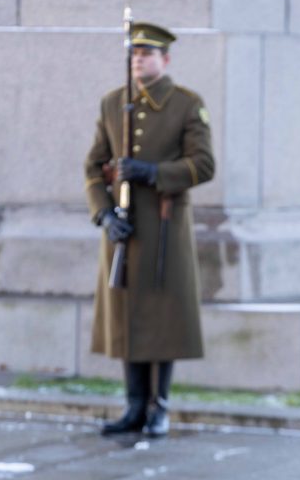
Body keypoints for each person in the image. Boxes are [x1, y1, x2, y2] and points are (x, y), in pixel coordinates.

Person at [84, 22, 214, 437]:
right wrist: (104, 213)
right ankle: (134, 405)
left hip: (163, 226)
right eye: (135, 53)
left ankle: (159, 407)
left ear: (165, 59)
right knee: (127, 316)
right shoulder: (112, 103)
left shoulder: (186, 104)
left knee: (163, 316)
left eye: (148, 53)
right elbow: (93, 166)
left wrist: (154, 172)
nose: (139, 59)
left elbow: (203, 165)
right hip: (124, 229)